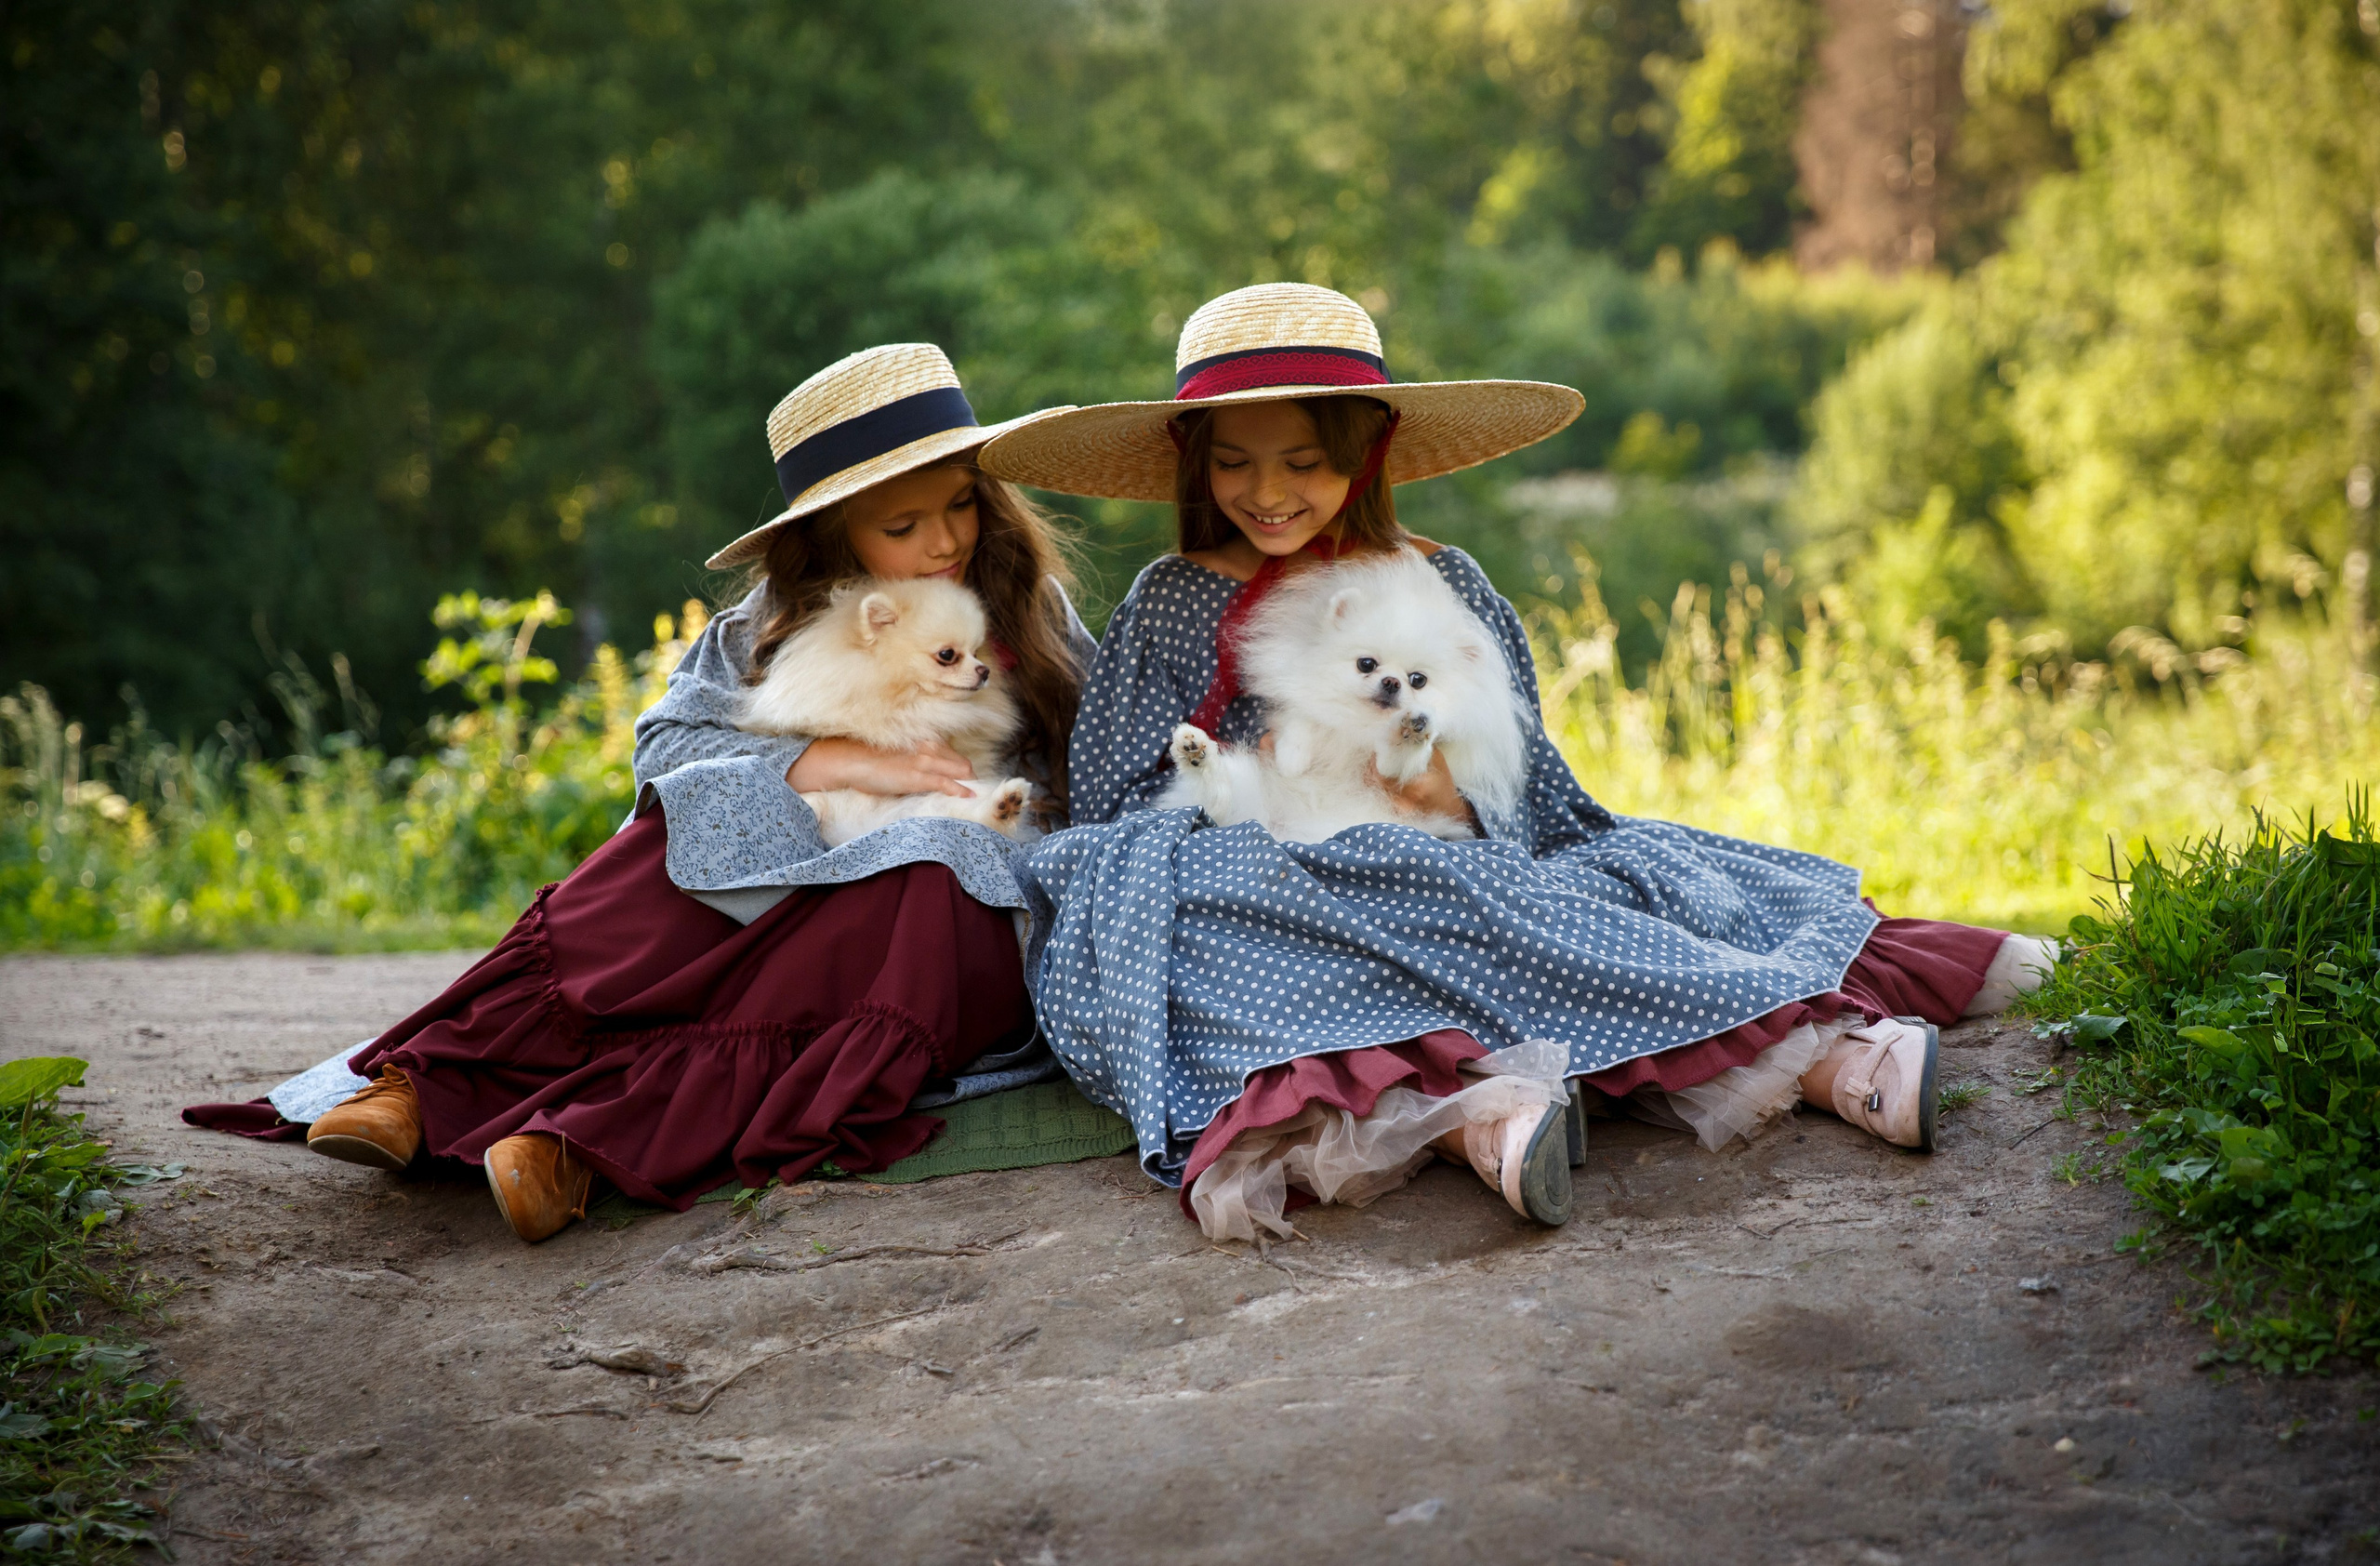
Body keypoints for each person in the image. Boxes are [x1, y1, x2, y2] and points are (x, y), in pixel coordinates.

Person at [978, 284, 2055, 1241]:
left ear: (1365, 453)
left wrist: (1447, 791)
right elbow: (1113, 802)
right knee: (1211, 934)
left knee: (1525, 887)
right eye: (1236, 461)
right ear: (1195, 463)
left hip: (1432, 858)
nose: (1268, 491)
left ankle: (1819, 1055)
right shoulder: (1169, 600)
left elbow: (1534, 780)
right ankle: (1474, 1126)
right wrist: (1232, 801)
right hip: (1256, 875)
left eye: (1302, 461)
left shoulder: (1441, 581)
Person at [233, 344, 1091, 1242]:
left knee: (935, 866)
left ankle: (574, 1147)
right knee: (677, 823)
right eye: (904, 523)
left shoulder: (1030, 612)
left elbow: (1105, 775)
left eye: (961, 503)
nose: (946, 539)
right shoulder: (761, 628)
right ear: (836, 534)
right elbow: (666, 755)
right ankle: (427, 1081)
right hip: (793, 887)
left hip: (940, 912)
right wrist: (825, 764)